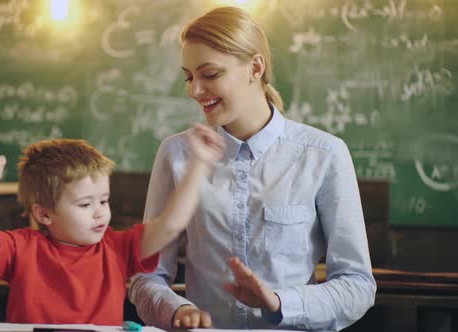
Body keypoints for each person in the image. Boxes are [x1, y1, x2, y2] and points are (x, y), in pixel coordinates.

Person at [128, 6, 376, 331]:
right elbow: (147, 275)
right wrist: (177, 312)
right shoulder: (177, 154)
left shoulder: (325, 155)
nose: (194, 90)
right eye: (189, 77)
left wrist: (279, 302)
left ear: (255, 67)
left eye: (210, 74)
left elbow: (357, 285)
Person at [0, 125, 225, 324]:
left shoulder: (118, 248)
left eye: (104, 201)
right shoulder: (23, 247)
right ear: (44, 214)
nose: (99, 213)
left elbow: (170, 225)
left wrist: (199, 164)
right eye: (85, 205)